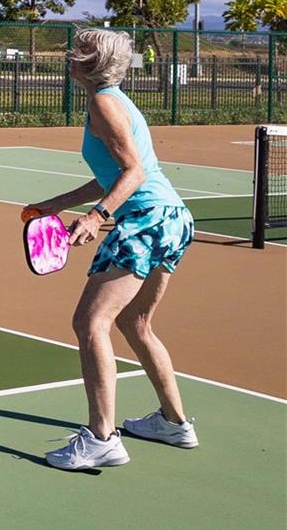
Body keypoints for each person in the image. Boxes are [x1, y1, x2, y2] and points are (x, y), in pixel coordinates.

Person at [24, 28, 197, 471]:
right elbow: (112, 171)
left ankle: (101, 437)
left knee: (90, 321)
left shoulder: (104, 103)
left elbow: (133, 171)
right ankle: (174, 423)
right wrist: (54, 205)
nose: (68, 56)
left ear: (86, 61)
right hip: (171, 218)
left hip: (145, 219)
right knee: (136, 323)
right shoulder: (112, 98)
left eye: (75, 51)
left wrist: (96, 216)